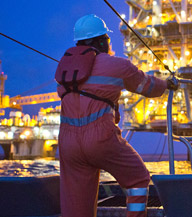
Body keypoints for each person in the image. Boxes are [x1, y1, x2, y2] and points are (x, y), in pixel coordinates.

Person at [57, 14, 178, 217]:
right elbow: (146, 86)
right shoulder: (116, 65)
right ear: (101, 41)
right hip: (100, 139)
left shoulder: (64, 70)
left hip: (68, 143)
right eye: (107, 39)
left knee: (76, 200)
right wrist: (167, 84)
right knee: (138, 179)